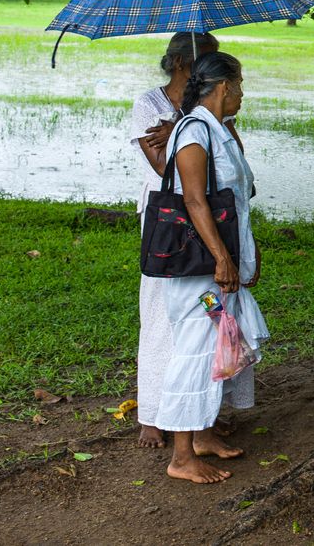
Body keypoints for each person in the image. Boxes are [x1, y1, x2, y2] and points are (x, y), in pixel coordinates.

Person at [156, 51, 269, 484]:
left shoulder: (218, 131)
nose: (242, 93)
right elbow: (194, 200)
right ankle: (181, 456)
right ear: (223, 86)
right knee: (198, 347)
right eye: (239, 85)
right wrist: (223, 257)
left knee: (219, 343)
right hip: (201, 269)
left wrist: (244, 254)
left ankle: (202, 435)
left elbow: (237, 200)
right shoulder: (193, 133)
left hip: (221, 263)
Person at [129, 31, 218, 448]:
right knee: (161, 312)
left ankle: (201, 416)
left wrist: (183, 126)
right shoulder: (149, 104)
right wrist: (187, 130)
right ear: (183, 63)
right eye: (207, 60)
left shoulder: (207, 107)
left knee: (207, 311)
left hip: (207, 214)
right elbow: (165, 165)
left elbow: (224, 158)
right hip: (165, 219)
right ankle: (151, 412)